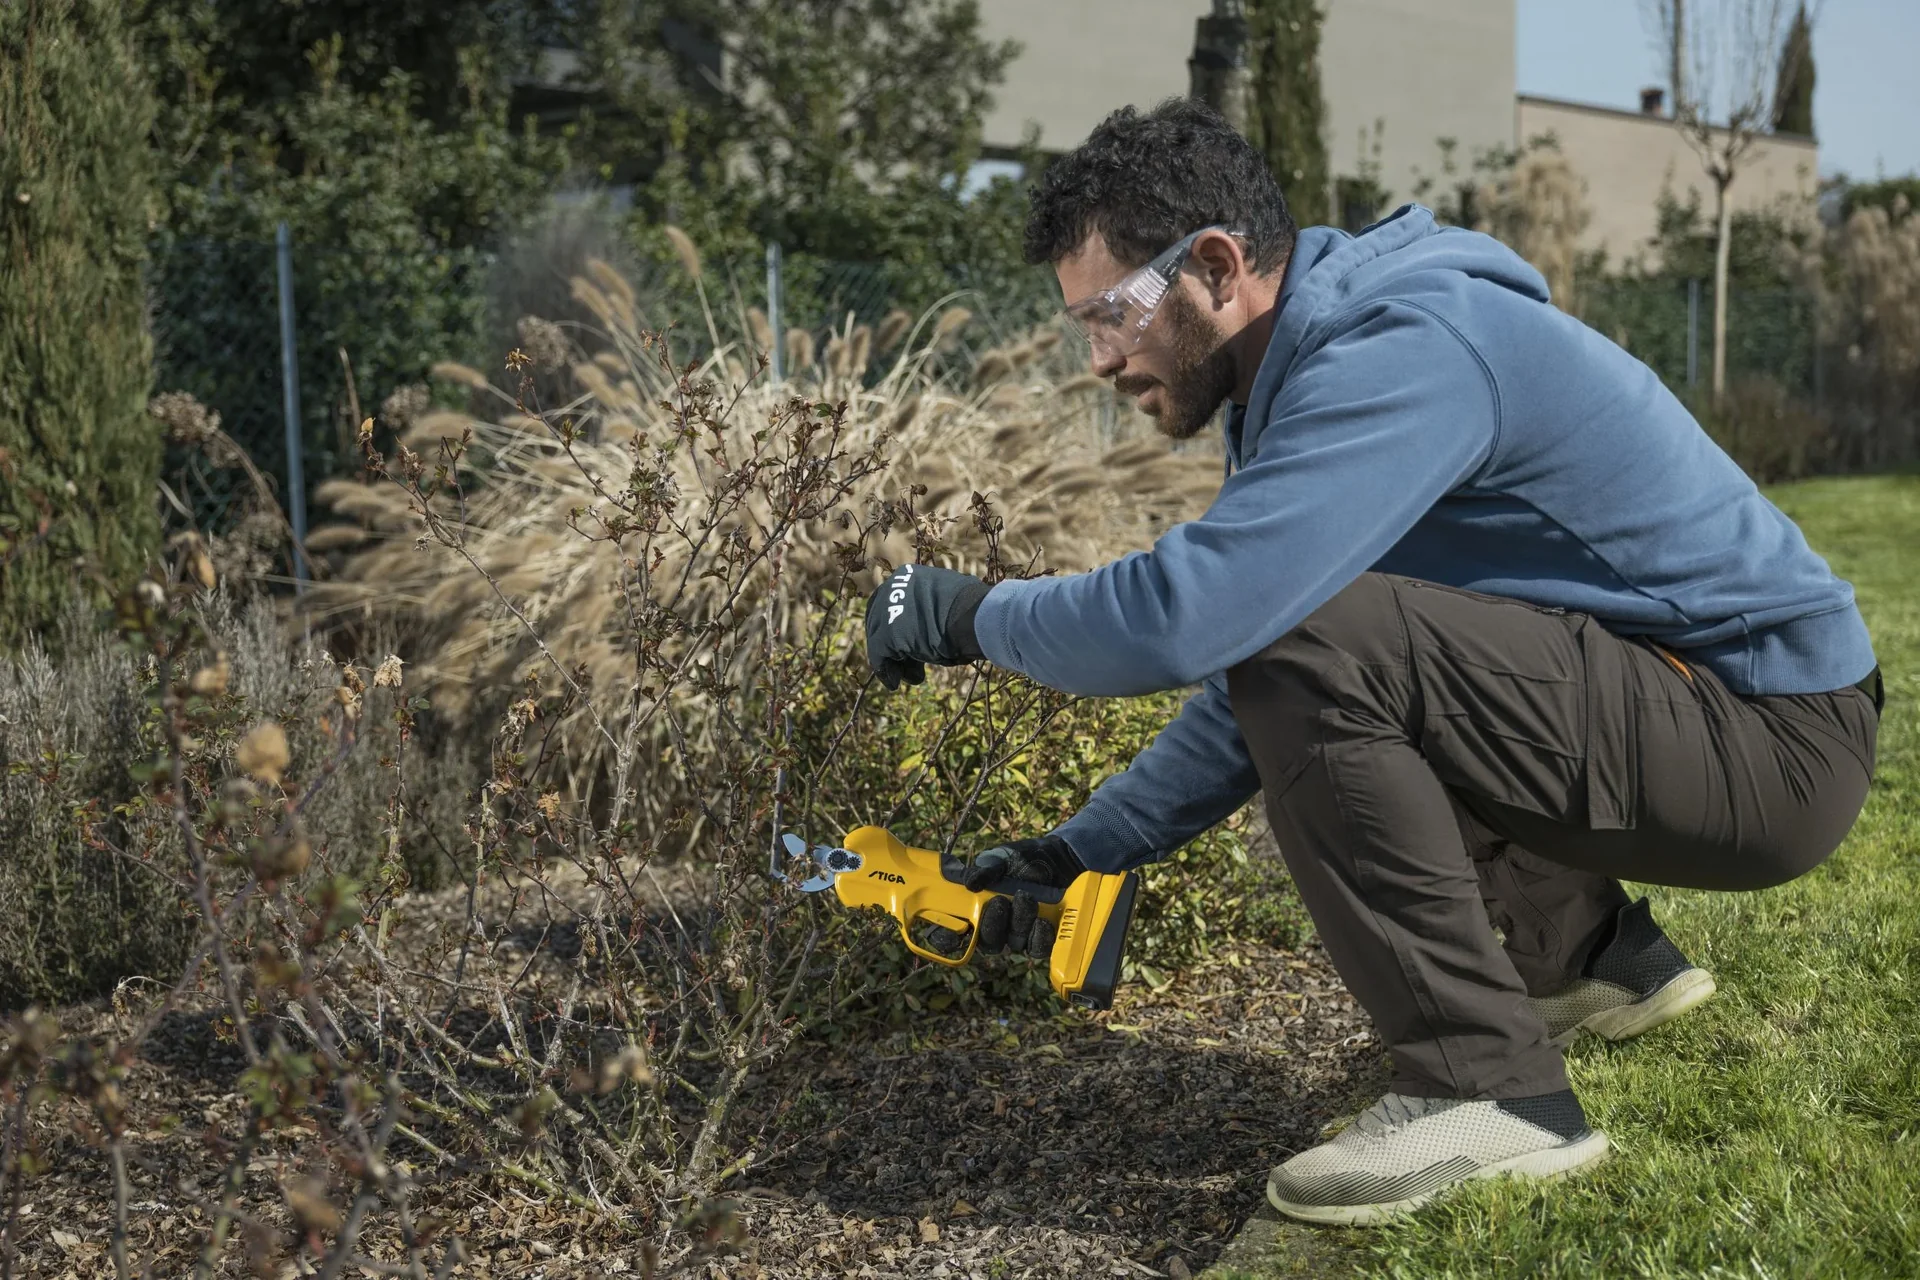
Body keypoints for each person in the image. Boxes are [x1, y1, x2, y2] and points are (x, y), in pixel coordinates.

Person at [860, 98, 1881, 1227]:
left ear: (1215, 264)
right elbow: (1257, 667)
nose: (1099, 359)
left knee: (1302, 627)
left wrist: (964, 613)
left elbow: (1196, 621)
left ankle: (1487, 1091)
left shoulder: (1401, 352)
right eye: (1081, 327)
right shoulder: (1309, 371)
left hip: (1768, 737)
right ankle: (1597, 958)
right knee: (1313, 629)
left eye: (1112, 313)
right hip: (1714, 718)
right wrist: (1075, 850)